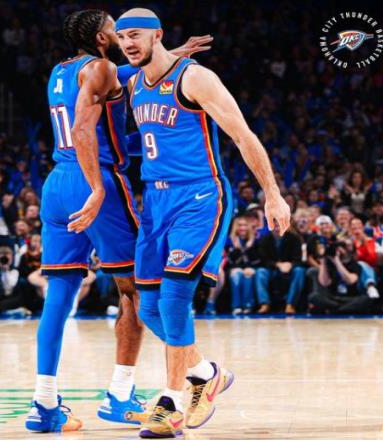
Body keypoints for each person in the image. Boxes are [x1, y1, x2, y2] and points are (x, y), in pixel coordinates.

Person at [25, 9, 211, 434]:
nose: (121, 34)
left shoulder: (60, 71)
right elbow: (85, 129)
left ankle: (45, 404)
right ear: (100, 36)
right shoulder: (102, 66)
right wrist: (96, 189)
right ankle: (131, 392)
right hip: (96, 180)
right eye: (114, 28)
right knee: (137, 289)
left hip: (57, 183)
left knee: (60, 294)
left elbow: (127, 76)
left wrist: (174, 53)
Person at [117, 9, 290, 438]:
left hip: (198, 197)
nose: (127, 43)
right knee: (148, 307)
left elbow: (243, 135)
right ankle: (206, 372)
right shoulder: (134, 82)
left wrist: (272, 193)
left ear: (156, 34)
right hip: (155, 201)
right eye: (121, 38)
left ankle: (171, 404)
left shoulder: (196, 79)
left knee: (175, 298)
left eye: (135, 35)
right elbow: (109, 77)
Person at [308, 239, 374, 314]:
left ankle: (335, 310)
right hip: (333, 298)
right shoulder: (329, 264)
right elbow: (325, 283)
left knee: (366, 299)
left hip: (350, 298)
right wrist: (323, 261)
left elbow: (350, 281)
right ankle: (341, 309)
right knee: (314, 297)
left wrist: (337, 262)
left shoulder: (355, 265)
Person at [255, 228, 305, 314]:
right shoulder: (264, 239)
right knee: (260, 272)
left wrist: (291, 265)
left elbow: (298, 259)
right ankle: (264, 304)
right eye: (275, 225)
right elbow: (263, 260)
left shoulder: (294, 238)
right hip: (272, 269)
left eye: (279, 225)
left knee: (299, 271)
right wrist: (278, 265)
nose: (277, 228)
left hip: (289, 269)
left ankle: (290, 304)